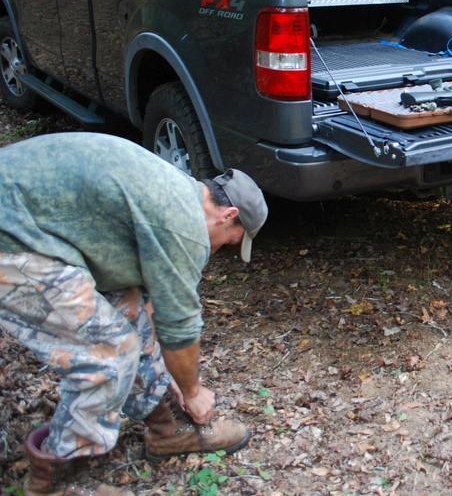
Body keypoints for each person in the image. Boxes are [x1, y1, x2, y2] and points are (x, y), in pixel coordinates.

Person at [0, 132, 268, 495]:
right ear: (228, 215)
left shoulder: (175, 191)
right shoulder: (184, 226)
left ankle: (165, 429)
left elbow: (151, 305)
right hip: (11, 236)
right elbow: (179, 326)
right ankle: (53, 478)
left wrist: (166, 371)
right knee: (109, 354)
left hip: (32, 221)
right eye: (230, 241)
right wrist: (192, 391)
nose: (219, 250)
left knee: (127, 309)